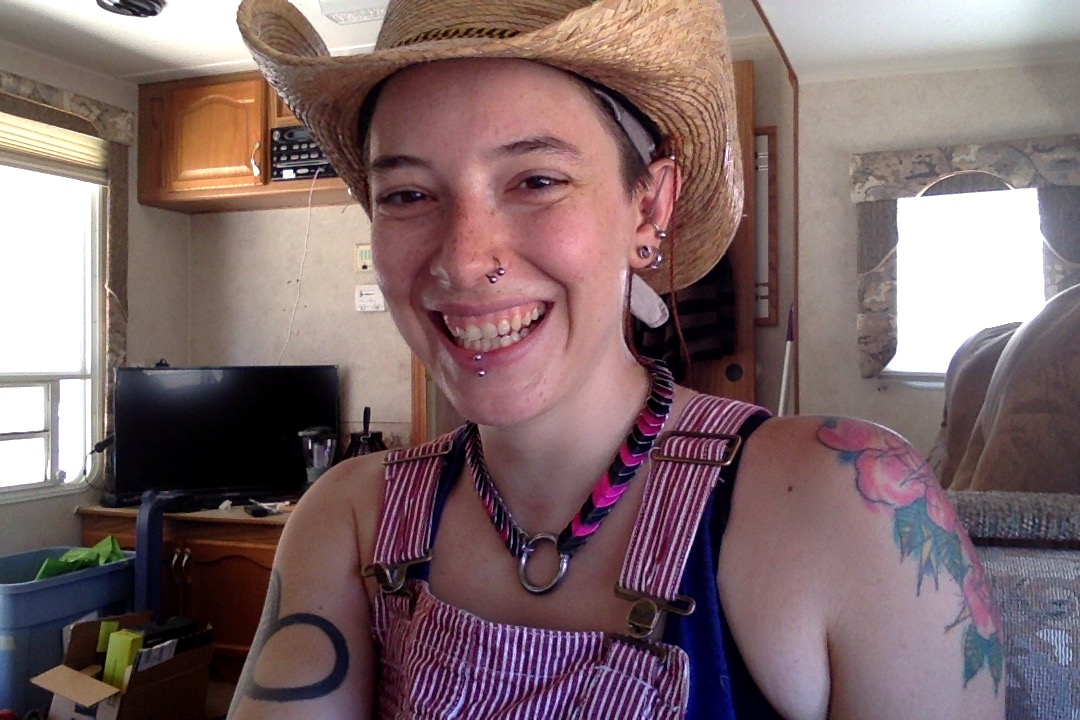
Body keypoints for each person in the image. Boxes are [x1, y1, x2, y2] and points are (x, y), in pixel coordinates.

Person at [231, 1, 1007, 717]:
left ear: (649, 206)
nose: (463, 262)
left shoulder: (849, 507)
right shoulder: (347, 520)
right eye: (406, 194)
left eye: (537, 180)